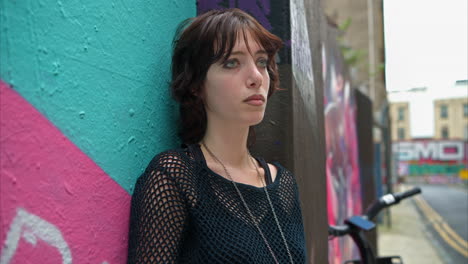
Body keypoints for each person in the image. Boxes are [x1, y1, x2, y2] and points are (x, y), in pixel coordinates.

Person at [127, 8, 306, 264]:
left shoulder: (284, 184)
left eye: (262, 62)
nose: (256, 77)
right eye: (232, 62)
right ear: (195, 84)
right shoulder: (176, 177)